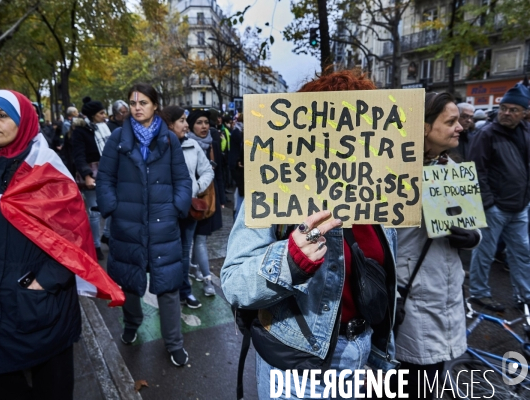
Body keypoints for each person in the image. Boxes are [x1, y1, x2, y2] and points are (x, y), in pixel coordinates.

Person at [221, 68, 399, 399]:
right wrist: (289, 261)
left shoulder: (381, 193)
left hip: (361, 362)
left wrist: (380, 357)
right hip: (298, 372)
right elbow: (234, 282)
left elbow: (388, 283)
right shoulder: (274, 187)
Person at [0, 90, 124, 400]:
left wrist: (44, 282)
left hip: (40, 305)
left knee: (52, 388)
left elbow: (74, 234)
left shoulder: (46, 167)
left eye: (1, 116)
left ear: (23, 121)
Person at [96, 83, 192, 366]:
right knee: (129, 281)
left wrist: (177, 207)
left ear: (154, 106)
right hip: (128, 225)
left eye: (144, 102)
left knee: (168, 285)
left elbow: (182, 179)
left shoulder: (169, 139)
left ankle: (174, 343)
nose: (137, 107)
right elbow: (104, 179)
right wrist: (112, 207)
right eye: (133, 102)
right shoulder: (117, 139)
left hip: (164, 224)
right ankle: (131, 324)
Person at [393, 92, 480, 399]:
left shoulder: (454, 170)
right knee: (409, 384)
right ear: (425, 127)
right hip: (413, 296)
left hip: (447, 293)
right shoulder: (395, 174)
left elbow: (473, 226)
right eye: (451, 121)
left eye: (460, 121)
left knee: (432, 380)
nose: (461, 127)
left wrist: (471, 237)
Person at [468, 83, 530, 312]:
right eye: (504, 108)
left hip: (520, 206)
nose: (507, 113)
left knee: (522, 254)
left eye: (514, 110)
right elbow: (476, 171)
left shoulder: (526, 131)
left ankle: (524, 295)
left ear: (524, 112)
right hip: (495, 208)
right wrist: (489, 204)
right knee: (484, 253)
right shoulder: (487, 133)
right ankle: (479, 292)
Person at [161, 106, 214, 308]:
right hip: (165, 210)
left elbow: (208, 171)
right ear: (169, 124)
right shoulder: (158, 146)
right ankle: (168, 292)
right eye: (182, 120)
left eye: (185, 120)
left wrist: (196, 188)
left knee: (184, 252)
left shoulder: (192, 145)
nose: (186, 125)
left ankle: (185, 291)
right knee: (167, 253)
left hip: (188, 209)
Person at [187, 110, 224, 297]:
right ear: (191, 125)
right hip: (192, 199)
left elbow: (220, 173)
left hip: (209, 198)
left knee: (201, 238)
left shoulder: (213, 144)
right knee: (197, 239)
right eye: (199, 123)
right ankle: (208, 280)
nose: (204, 126)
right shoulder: (185, 145)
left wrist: (222, 199)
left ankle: (194, 268)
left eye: (206, 123)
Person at [72, 96, 112, 260]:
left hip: (108, 172)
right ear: (93, 115)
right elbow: (79, 156)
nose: (105, 116)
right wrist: (87, 175)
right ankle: (95, 245)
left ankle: (107, 236)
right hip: (92, 174)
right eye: (101, 113)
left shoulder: (105, 129)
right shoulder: (80, 132)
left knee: (111, 207)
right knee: (94, 212)